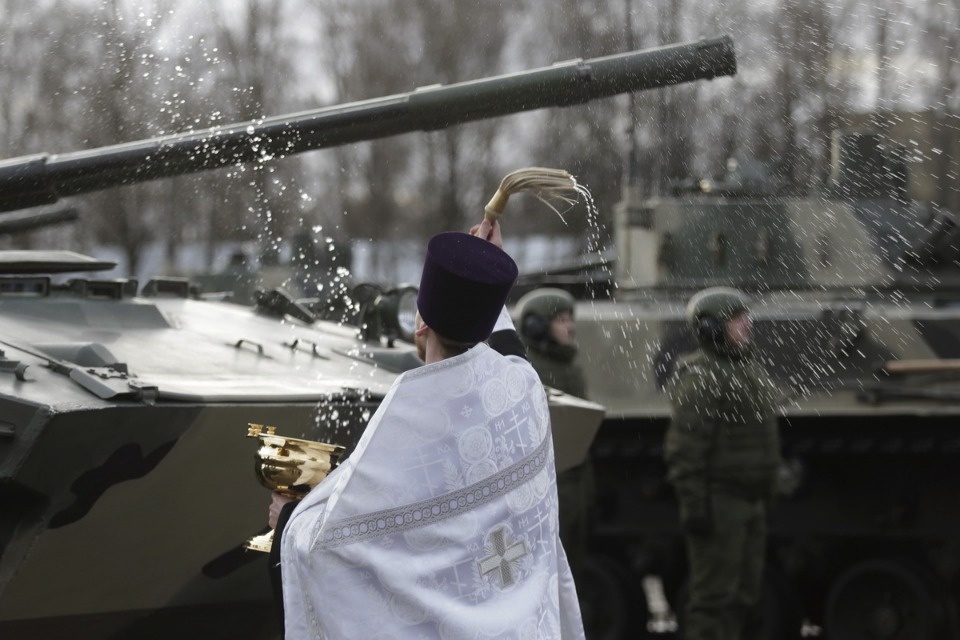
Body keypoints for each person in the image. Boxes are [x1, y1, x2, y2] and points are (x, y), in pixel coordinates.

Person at [269, 219, 585, 640]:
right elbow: (512, 353)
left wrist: (287, 520)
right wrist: (486, 270)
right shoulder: (522, 391)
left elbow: (329, 549)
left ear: (421, 326)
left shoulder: (410, 412)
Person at [664, 286, 782, 640]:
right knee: (714, 599)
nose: (746, 324)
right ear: (712, 328)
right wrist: (695, 509)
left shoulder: (748, 369)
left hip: (750, 502)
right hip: (721, 504)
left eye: (746, 316)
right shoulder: (702, 377)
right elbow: (685, 451)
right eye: (735, 319)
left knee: (743, 596)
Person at [515, 288, 594, 581]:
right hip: (550, 488)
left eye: (570, 319)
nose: (570, 327)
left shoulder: (570, 368)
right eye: (561, 320)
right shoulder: (530, 371)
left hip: (574, 485)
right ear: (536, 327)